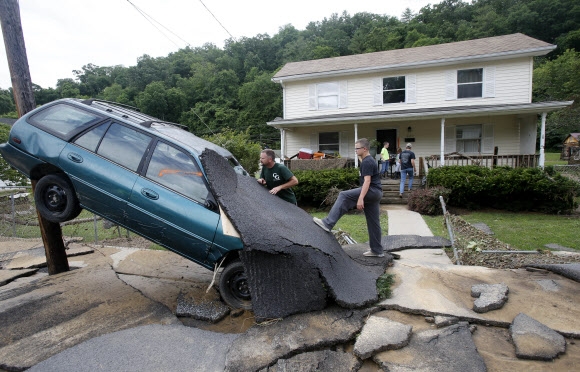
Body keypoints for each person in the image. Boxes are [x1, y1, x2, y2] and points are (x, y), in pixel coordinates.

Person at [313, 138, 384, 257]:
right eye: (355, 148)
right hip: (376, 193)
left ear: (365, 149)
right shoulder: (368, 160)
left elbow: (367, 181)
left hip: (371, 191)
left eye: (357, 148)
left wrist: (361, 198)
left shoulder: (367, 161)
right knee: (373, 222)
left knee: (343, 195)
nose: (355, 150)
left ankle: (328, 223)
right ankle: (377, 250)